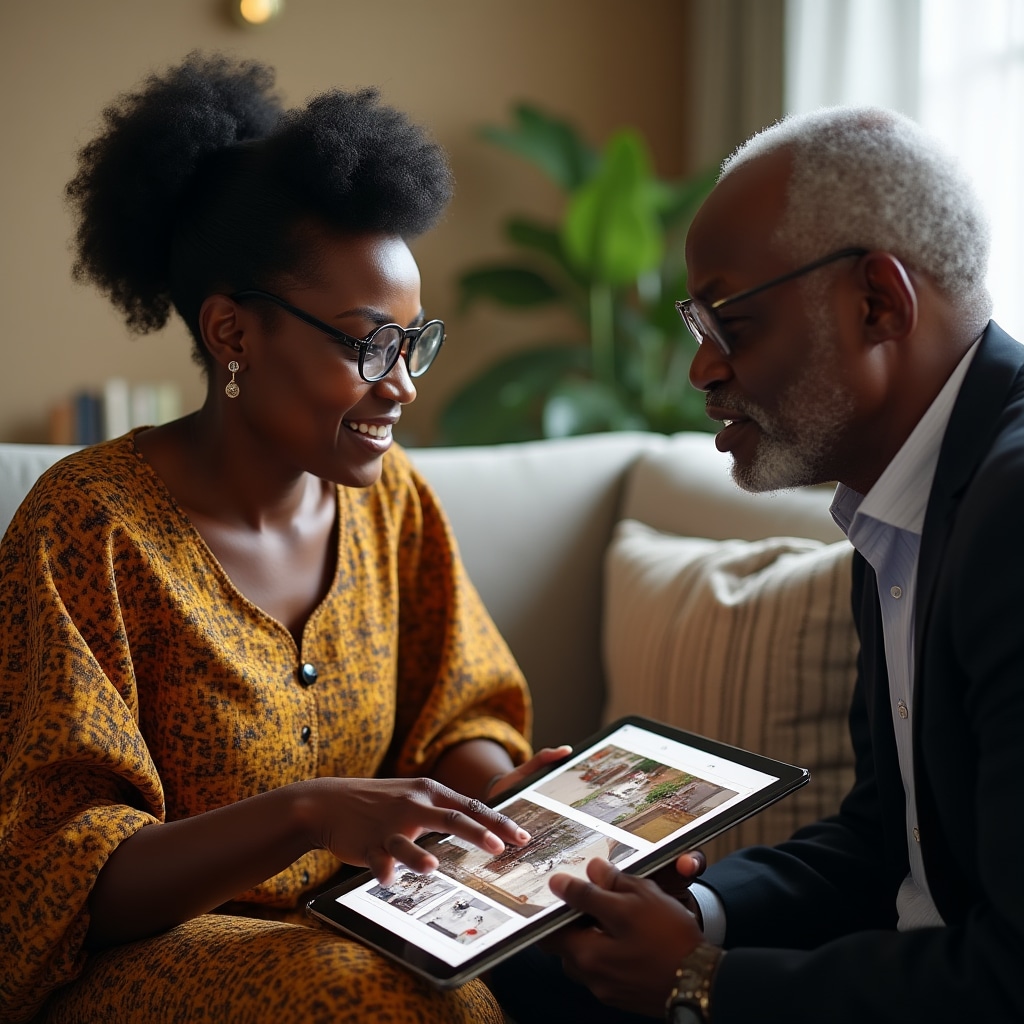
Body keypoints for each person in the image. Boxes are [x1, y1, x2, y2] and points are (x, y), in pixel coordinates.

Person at [0, 52, 566, 1024]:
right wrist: (305, 813)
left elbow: (457, 714)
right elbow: (58, 884)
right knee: (379, 999)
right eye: (368, 343)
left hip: (369, 921)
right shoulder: (87, 526)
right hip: (141, 960)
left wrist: (501, 798)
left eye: (413, 341)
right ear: (232, 334)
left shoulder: (392, 503)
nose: (402, 384)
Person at [491, 106, 1024, 1023]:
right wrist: (693, 913)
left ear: (878, 303)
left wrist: (702, 983)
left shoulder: (1012, 515)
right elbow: (889, 843)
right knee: (501, 967)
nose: (701, 369)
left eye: (731, 322)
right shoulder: (905, 505)